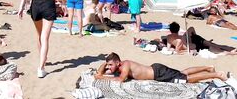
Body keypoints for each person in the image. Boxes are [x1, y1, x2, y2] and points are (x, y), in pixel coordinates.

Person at [95, 52, 227, 83]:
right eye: (108, 65)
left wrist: (101, 77)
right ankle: (208, 67)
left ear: (118, 63)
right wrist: (104, 66)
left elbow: (121, 80)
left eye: (110, 64)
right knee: (181, 73)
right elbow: (99, 71)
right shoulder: (117, 67)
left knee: (185, 80)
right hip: (157, 69)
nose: (108, 67)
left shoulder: (125, 65)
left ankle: (217, 75)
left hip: (159, 74)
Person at [167, 21, 237, 54]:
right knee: (213, 45)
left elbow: (171, 49)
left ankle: (230, 51)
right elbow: (178, 51)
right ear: (178, 29)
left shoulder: (168, 37)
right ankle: (232, 49)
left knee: (210, 47)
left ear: (170, 30)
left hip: (191, 43)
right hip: (193, 39)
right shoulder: (179, 38)